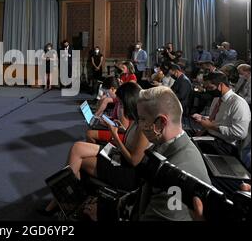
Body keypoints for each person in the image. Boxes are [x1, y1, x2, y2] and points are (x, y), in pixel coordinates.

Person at [42, 83, 149, 216]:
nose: (119, 107)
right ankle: (65, 199)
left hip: (126, 171)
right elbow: (129, 141)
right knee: (77, 148)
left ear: (129, 102)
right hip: (119, 157)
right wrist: (120, 129)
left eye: (121, 104)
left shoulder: (143, 126)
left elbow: (134, 161)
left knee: (77, 156)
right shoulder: (137, 121)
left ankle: (63, 200)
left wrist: (115, 135)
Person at [131, 86, 211, 221]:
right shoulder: (165, 146)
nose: (140, 125)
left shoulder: (179, 174)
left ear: (161, 122)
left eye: (143, 119)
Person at [192, 72, 251, 157]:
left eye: (210, 88)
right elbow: (218, 119)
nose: (208, 90)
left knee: (192, 149)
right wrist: (202, 118)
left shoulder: (238, 103)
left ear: (221, 85)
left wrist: (211, 126)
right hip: (211, 137)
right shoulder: (217, 99)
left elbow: (240, 134)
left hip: (225, 145)